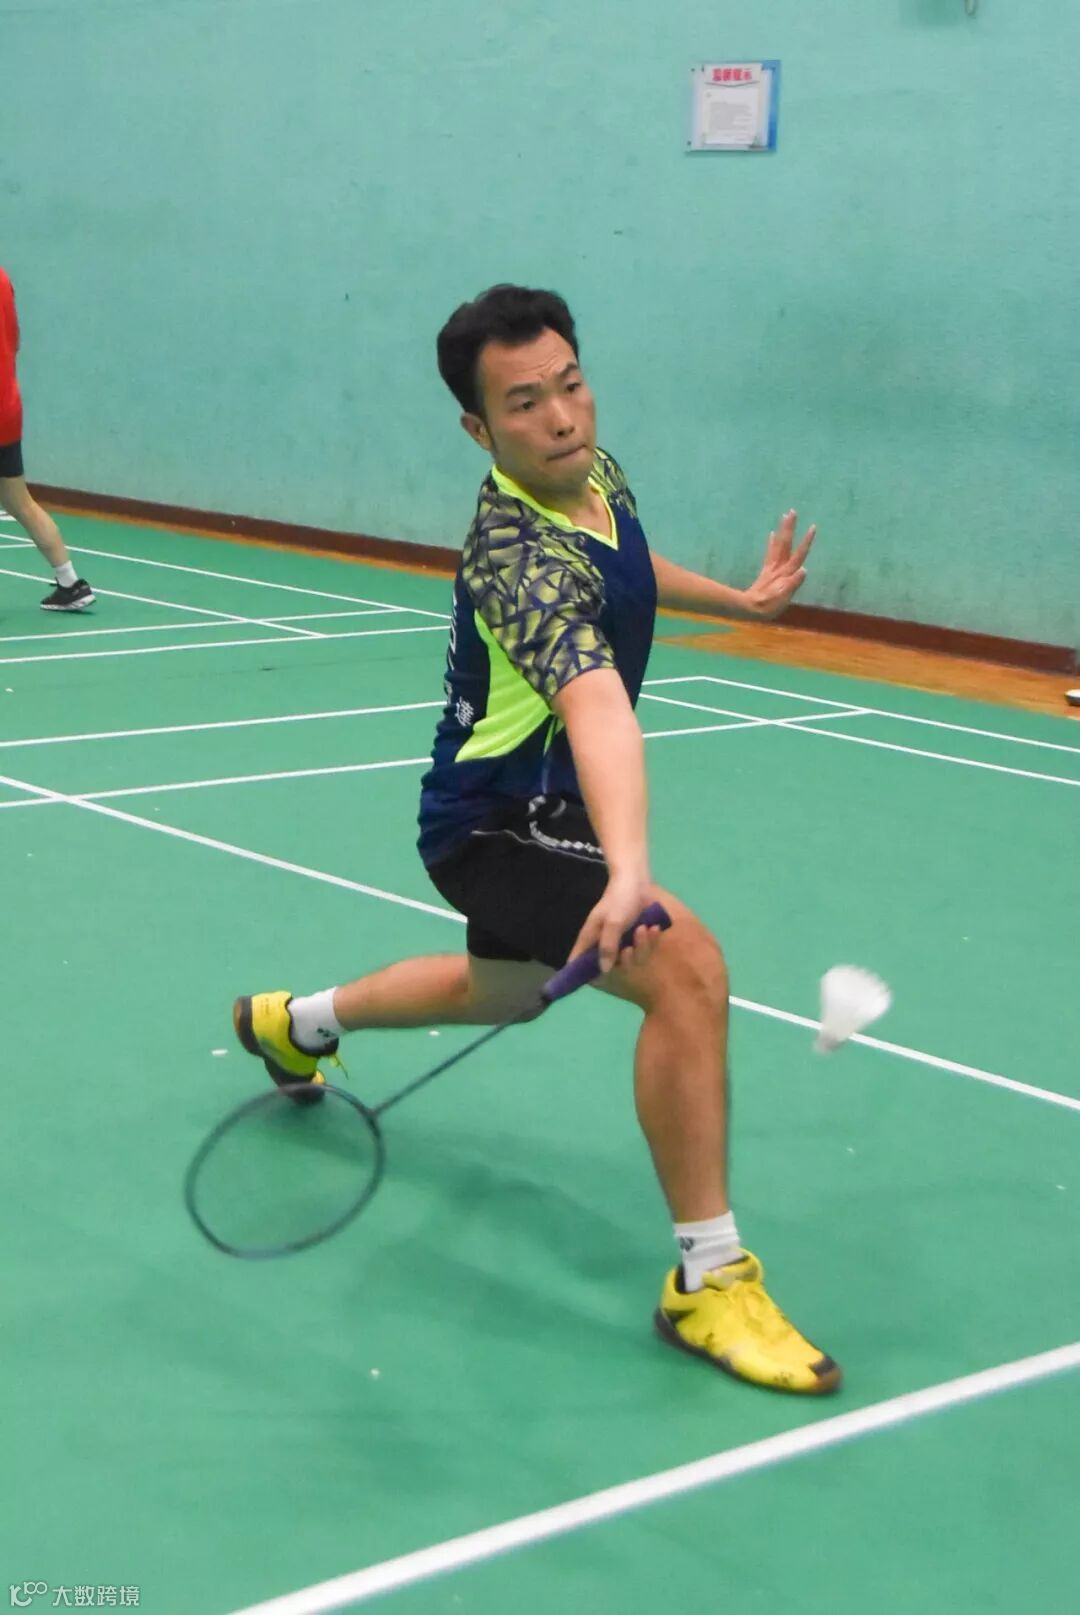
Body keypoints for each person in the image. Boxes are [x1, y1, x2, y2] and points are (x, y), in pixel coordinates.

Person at [234, 284, 837, 1394]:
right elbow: (596, 705)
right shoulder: (513, 557)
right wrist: (632, 869)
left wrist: (739, 604)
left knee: (503, 990)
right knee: (686, 970)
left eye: (571, 384)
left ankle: (293, 1022)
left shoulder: (594, 475)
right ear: (480, 428)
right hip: (495, 824)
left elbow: (628, 567)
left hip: (547, 811)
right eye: (525, 403)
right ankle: (709, 1278)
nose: (562, 416)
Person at [0, 266, 94, 610]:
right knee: (19, 501)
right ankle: (71, 584)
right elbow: (15, 340)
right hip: (7, 407)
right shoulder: (2, 278)